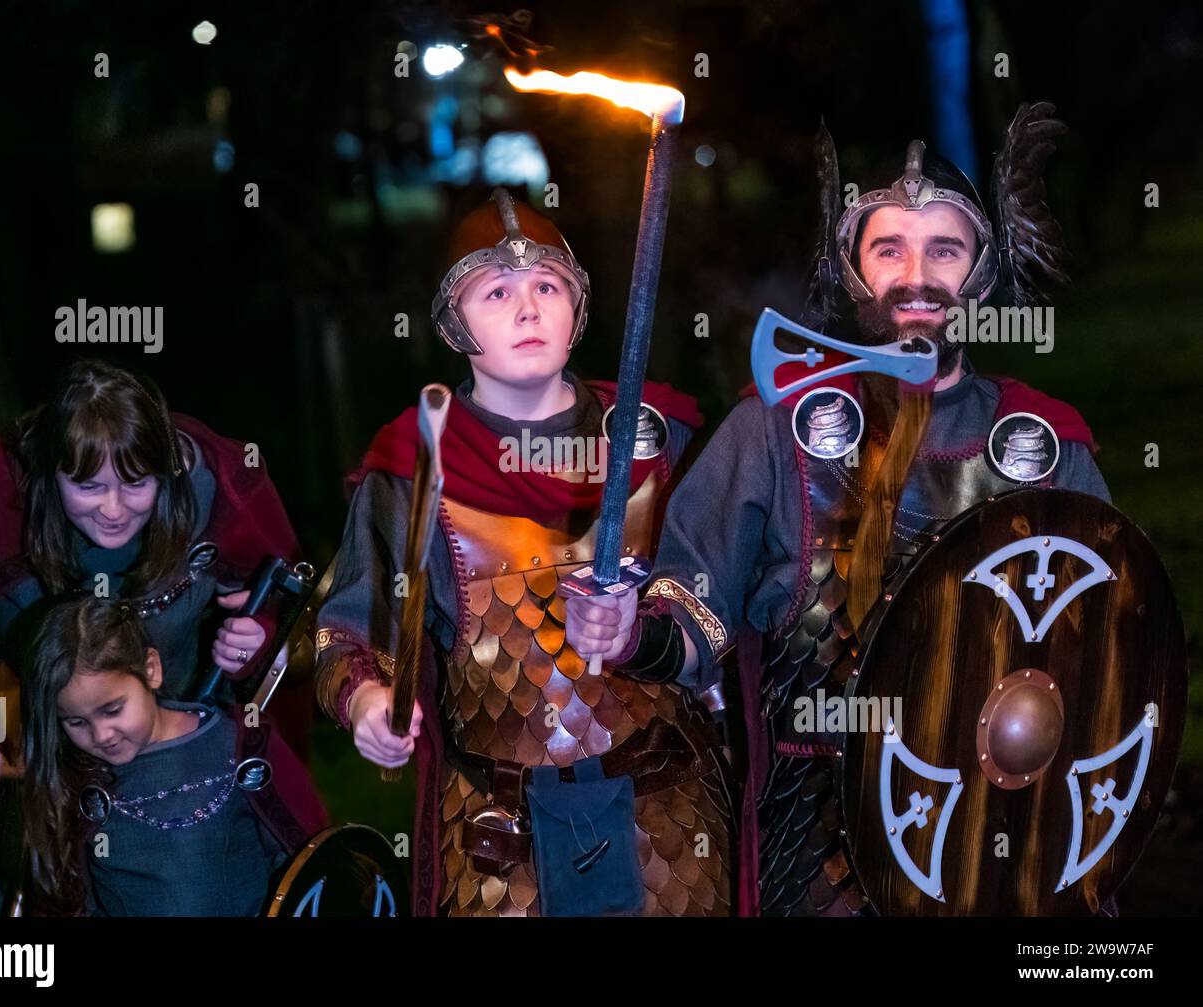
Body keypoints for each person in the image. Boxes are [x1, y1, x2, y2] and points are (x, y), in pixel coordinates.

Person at [565, 104, 1111, 915]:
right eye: (889, 249)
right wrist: (634, 631)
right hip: (818, 849)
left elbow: (1110, 652)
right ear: (854, 272)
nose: (917, 275)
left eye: (945, 250)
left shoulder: (1044, 443)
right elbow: (695, 600)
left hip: (1010, 837)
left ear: (983, 277)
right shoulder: (774, 430)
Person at [314, 187, 734, 916]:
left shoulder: (660, 440)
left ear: (579, 308)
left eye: (549, 286)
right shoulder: (414, 468)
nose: (528, 308)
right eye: (496, 291)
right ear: (454, 324)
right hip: (499, 838)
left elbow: (720, 606)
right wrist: (365, 702)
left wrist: (660, 627)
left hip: (669, 822)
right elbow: (345, 630)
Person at [0, 359, 300, 915]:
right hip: (28, 749)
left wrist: (253, 635)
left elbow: (277, 609)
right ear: (49, 474)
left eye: (137, 484)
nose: (113, 510)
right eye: (87, 486)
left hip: (180, 748)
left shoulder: (219, 485)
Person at [20, 596, 326, 915]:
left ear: (151, 670)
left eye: (112, 710)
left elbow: (310, 862)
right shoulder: (78, 779)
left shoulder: (242, 747)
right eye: (76, 722)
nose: (101, 735)